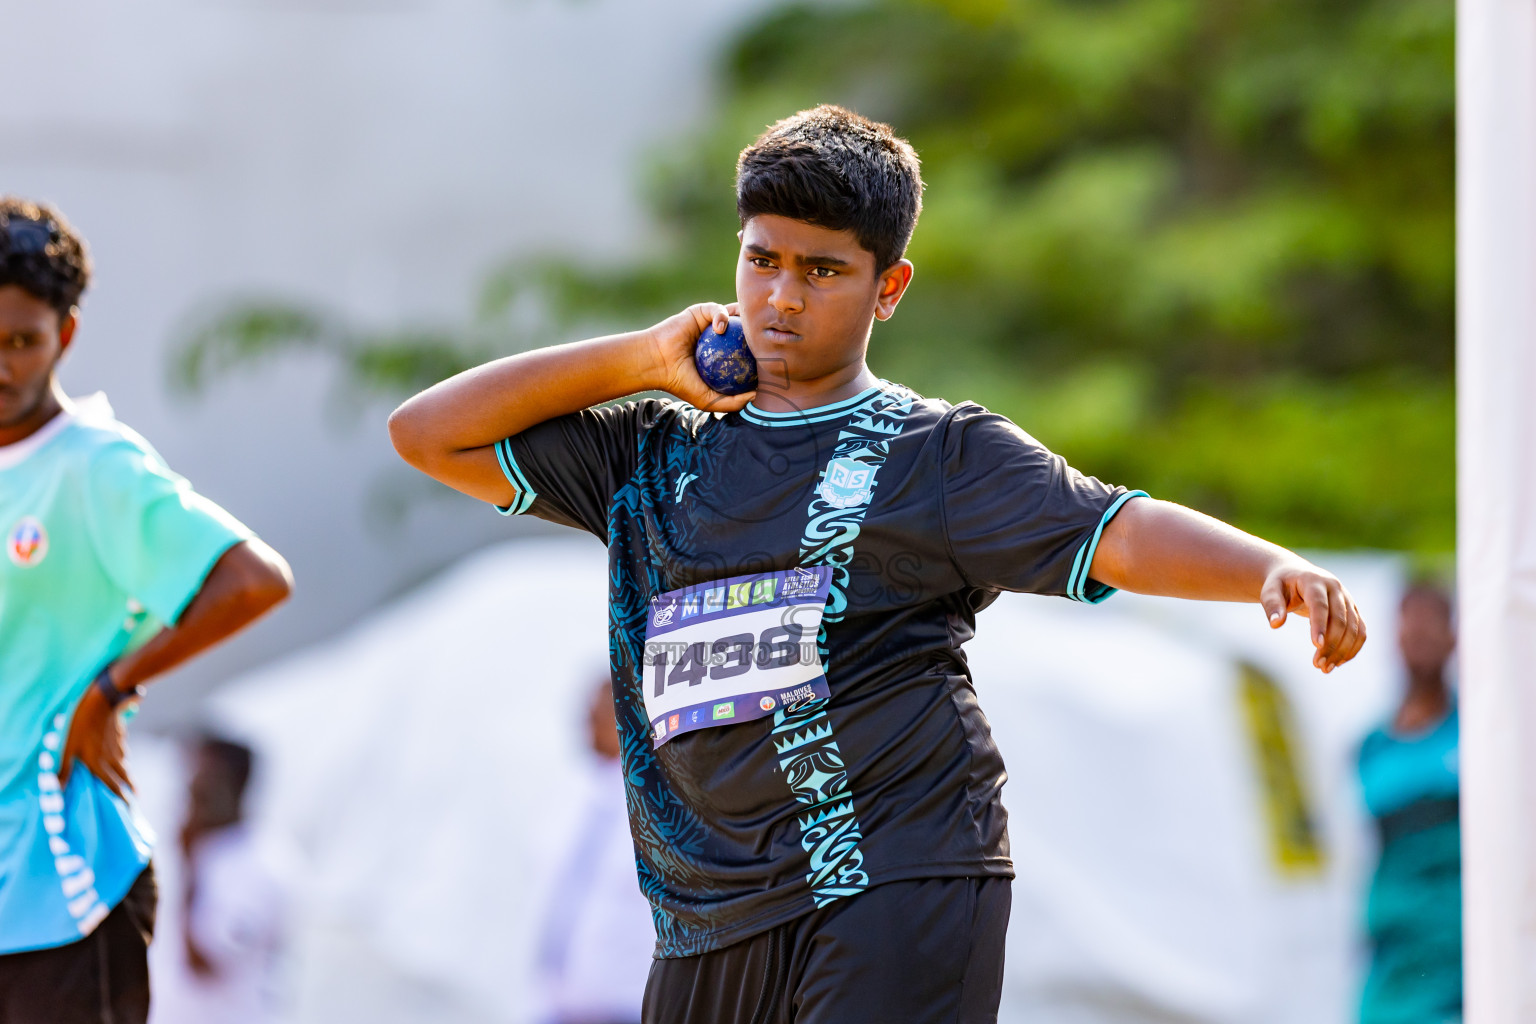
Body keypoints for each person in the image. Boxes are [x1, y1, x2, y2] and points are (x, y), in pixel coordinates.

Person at [387, 106, 1367, 1024]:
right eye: (761, 259)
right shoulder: (645, 453)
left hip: (894, 868)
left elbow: (1115, 527)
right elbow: (428, 435)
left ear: (886, 288)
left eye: (821, 271)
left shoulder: (938, 454)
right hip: (704, 906)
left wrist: (1269, 567)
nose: (779, 297)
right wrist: (639, 357)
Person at [0, 197, 293, 1024]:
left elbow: (253, 580)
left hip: (60, 893)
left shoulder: (93, 466)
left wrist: (111, 689)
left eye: (22, 340)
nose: (3, 365)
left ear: (66, 334)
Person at [1357, 584, 1460, 1024]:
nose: (1419, 635)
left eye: (1432, 623)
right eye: (1409, 622)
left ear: (1454, 636)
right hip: (1394, 956)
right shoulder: (1371, 748)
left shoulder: (1481, 735)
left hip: (1460, 953)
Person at [535, 679, 657, 1024]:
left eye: (601, 709)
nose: (587, 718)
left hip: (627, 1006)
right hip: (557, 1004)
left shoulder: (658, 805)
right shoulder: (573, 794)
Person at [150, 735, 291, 1024]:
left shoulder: (264, 866)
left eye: (202, 787)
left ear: (235, 787)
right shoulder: (185, 847)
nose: (190, 790)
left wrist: (189, 868)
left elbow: (204, 964)